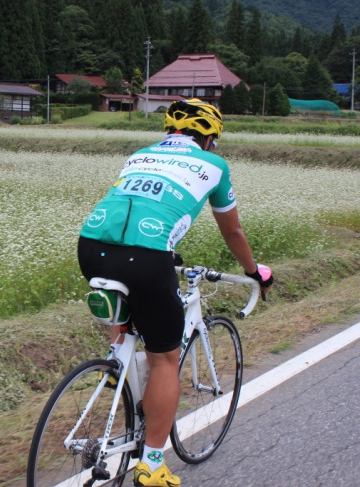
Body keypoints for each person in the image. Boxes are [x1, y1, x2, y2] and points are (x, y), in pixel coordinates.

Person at [78, 98, 273, 487]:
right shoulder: (214, 165)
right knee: (166, 360)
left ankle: (125, 389)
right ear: (209, 137)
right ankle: (151, 464)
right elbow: (232, 231)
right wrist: (255, 273)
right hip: (147, 257)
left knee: (126, 333)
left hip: (91, 246)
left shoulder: (140, 154)